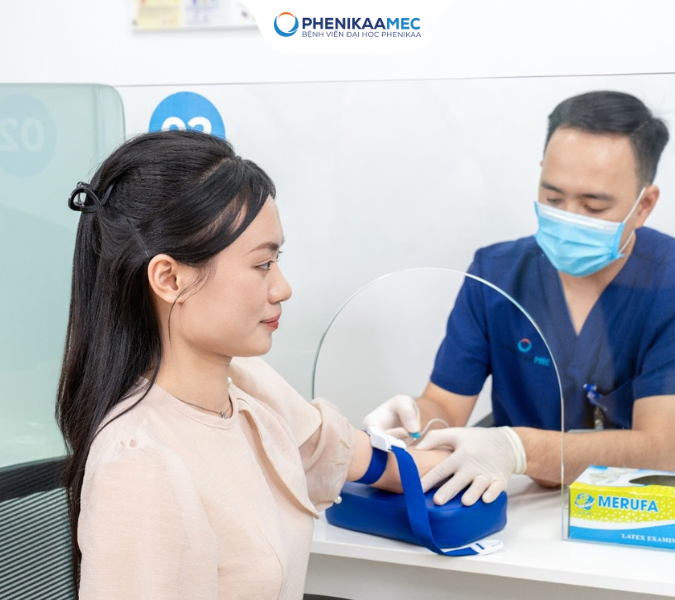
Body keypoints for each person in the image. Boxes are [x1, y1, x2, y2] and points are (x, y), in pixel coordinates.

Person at [55, 130, 448, 599]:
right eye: (262, 264)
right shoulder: (141, 467)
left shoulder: (245, 387)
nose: (283, 288)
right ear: (170, 279)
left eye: (277, 259)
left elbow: (349, 456)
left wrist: (489, 453)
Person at [364, 90, 675, 506]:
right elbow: (445, 405)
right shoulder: (496, 274)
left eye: (593, 206)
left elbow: (658, 449)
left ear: (643, 205)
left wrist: (517, 449)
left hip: (646, 502)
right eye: (553, 198)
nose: (568, 217)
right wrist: (412, 419)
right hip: (527, 500)